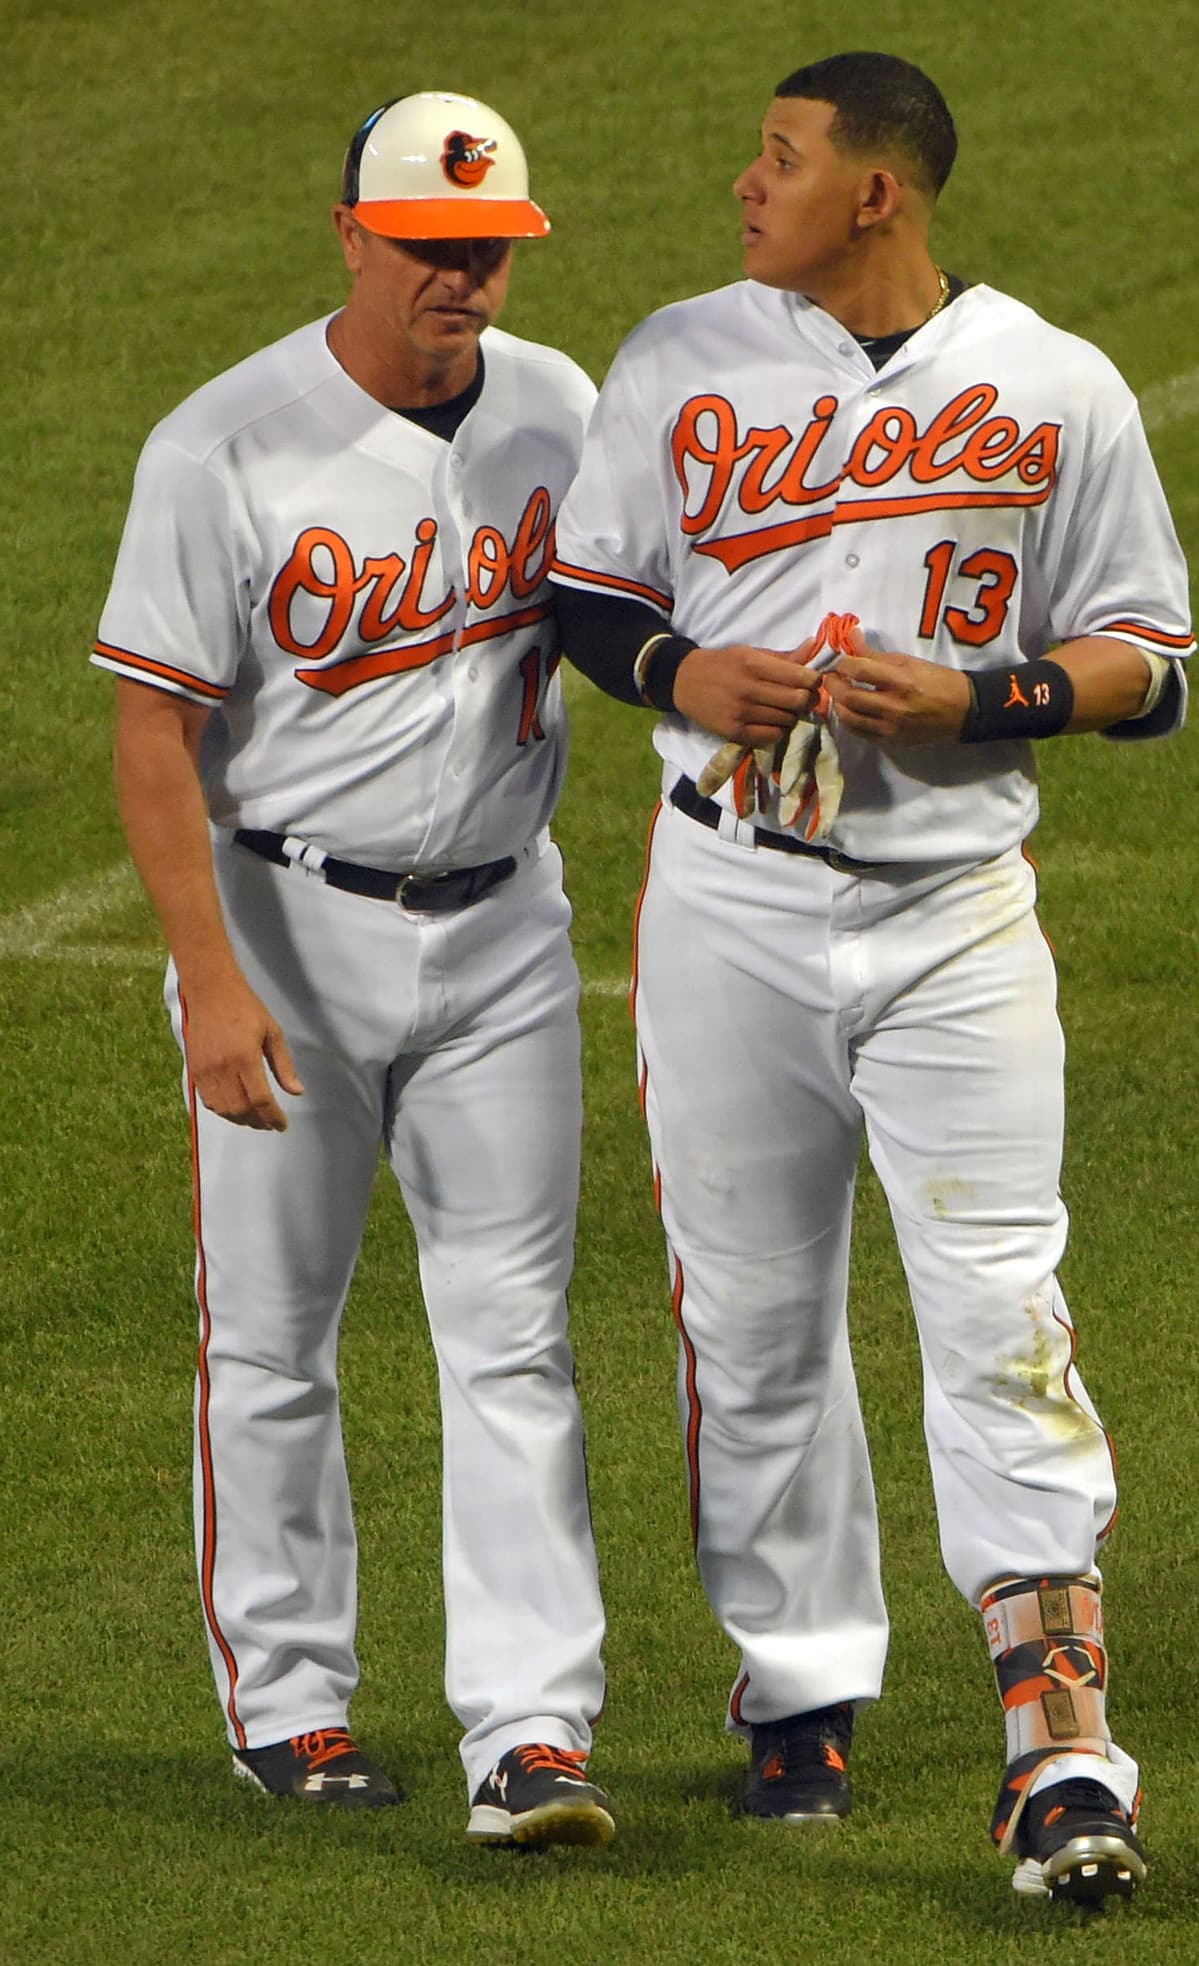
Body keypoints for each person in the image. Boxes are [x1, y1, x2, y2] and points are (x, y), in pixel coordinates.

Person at [551, 50, 1193, 1903]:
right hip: (727, 907)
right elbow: (591, 593)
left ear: (878, 197)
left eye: (781, 157)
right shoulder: (681, 357)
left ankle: (1059, 1748)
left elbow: (1151, 660)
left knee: (1002, 1310)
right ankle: (801, 1695)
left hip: (955, 918)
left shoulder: (1054, 386)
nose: (746, 183)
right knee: (748, 1318)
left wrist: (977, 700)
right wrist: (684, 674)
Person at [93, 90, 614, 1849]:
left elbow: (630, 621)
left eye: (487, 248)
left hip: (503, 934)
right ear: (350, 237)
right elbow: (154, 727)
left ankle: (532, 1729)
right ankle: (294, 1705)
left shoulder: (561, 409)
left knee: (516, 1337)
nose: (462, 276)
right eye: (428, 248)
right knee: (271, 1339)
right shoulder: (222, 446)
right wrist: (212, 981)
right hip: (286, 934)